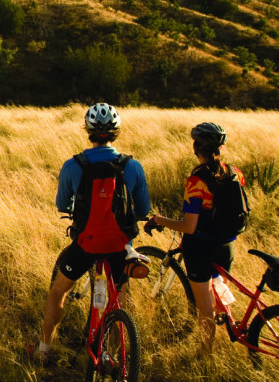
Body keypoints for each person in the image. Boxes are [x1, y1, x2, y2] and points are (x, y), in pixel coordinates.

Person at [32, 103, 152, 363]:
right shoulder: (133, 166)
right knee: (120, 299)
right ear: (116, 132)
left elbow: (62, 204)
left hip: (86, 245)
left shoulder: (73, 165)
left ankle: (44, 349)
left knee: (58, 291)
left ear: (88, 130)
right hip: (120, 246)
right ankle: (115, 356)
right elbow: (144, 210)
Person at [144, 121, 242, 356]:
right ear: (220, 147)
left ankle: (205, 353)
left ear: (196, 147)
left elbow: (189, 226)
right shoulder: (235, 173)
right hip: (226, 244)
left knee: (205, 307)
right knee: (220, 295)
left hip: (200, 248)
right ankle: (228, 337)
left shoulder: (196, 181)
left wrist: (159, 220)